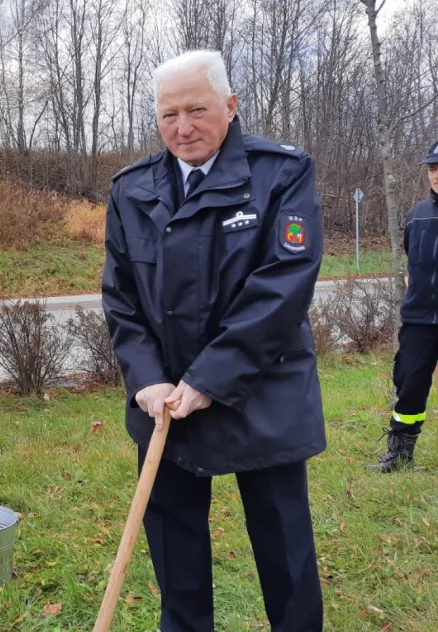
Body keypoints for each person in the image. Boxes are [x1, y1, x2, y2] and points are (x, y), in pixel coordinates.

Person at [102, 50, 325, 631]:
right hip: (166, 402)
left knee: (285, 552)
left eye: (197, 109)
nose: (183, 127)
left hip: (263, 391)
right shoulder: (131, 190)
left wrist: (210, 378)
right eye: (169, 113)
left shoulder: (280, 173)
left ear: (229, 105)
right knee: (176, 557)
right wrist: (147, 378)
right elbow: (121, 296)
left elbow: (283, 286)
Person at [368, 140, 438, 472]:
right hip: (420, 320)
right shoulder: (417, 215)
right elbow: (414, 265)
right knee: (409, 385)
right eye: (433, 169)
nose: (436, 175)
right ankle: (400, 453)